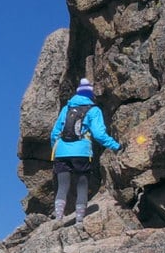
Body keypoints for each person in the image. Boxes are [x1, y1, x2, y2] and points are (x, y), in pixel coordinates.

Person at [49, 78, 121, 223]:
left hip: (61, 152)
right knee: (82, 184)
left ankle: (58, 218)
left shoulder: (67, 108)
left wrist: (57, 149)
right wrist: (115, 146)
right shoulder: (94, 110)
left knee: (63, 185)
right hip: (81, 152)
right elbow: (99, 134)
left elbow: (54, 133)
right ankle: (79, 221)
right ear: (90, 94)